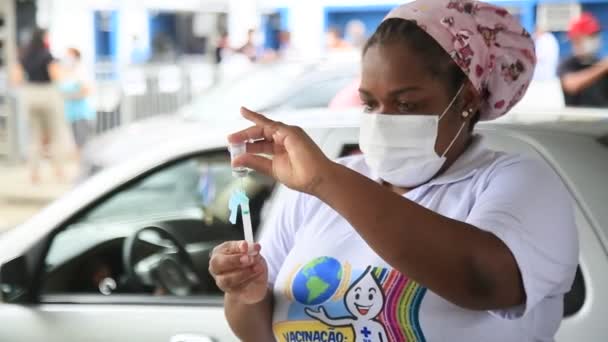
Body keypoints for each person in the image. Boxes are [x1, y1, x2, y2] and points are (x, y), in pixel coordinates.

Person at [211, 1, 578, 341]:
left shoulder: (518, 181)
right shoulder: (320, 189)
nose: (383, 120)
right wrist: (245, 293)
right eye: (370, 104)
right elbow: (260, 333)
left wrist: (326, 180)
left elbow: (480, 281)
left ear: (466, 99)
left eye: (405, 104)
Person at [12, 28, 66, 183]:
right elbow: (56, 76)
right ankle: (58, 171)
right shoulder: (47, 55)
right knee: (55, 134)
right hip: (48, 94)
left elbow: (16, 79)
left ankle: (34, 174)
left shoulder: (24, 55)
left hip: (30, 95)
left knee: (34, 136)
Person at [558, 12, 608, 107]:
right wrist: (602, 68)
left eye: (596, 35)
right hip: (577, 119)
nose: (595, 39)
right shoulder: (569, 63)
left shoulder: (599, 62)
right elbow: (571, 85)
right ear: (576, 39)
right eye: (591, 36)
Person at [58, 48, 95, 159]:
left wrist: (71, 96)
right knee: (77, 144)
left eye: (69, 56)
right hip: (71, 114)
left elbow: (87, 90)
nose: (67, 58)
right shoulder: (65, 72)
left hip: (82, 113)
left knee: (83, 144)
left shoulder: (81, 71)